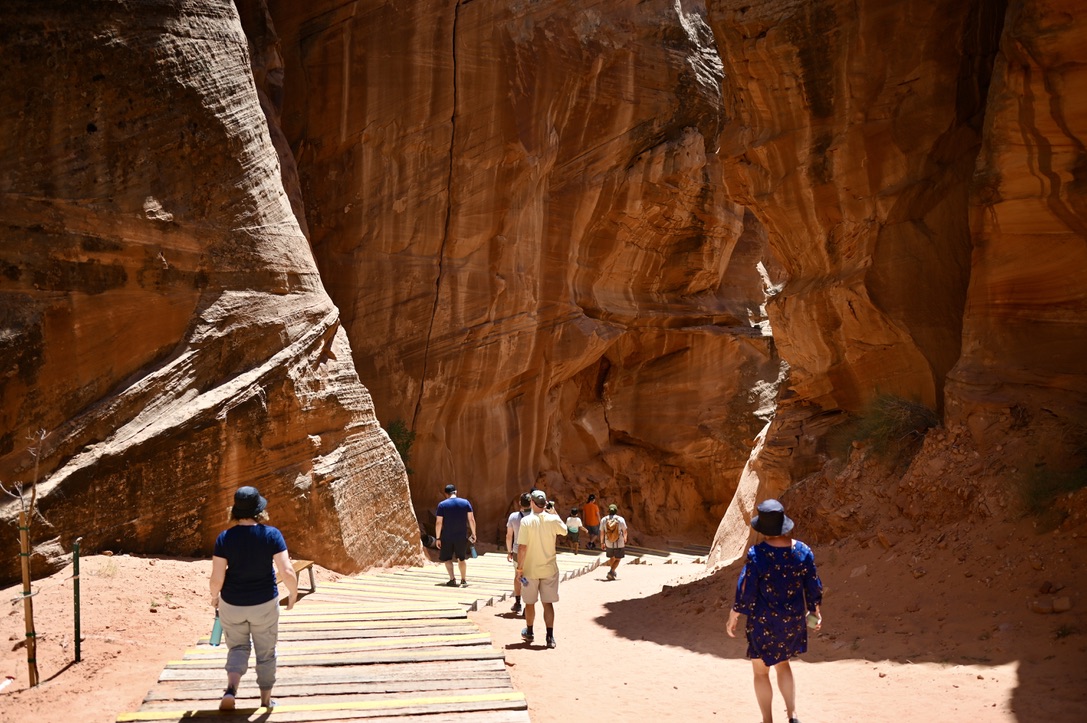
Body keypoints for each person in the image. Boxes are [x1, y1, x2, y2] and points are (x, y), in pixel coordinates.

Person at [726, 499, 823, 723]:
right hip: (792, 621)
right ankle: (792, 715)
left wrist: (735, 613)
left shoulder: (757, 554)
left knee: (761, 672)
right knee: (784, 665)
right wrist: (815, 610)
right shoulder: (803, 551)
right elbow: (813, 584)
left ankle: (767, 720)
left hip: (763, 622)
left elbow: (746, 588)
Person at [209, 486, 298, 711]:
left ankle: (231, 689)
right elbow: (286, 570)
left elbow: (216, 577)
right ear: (259, 510)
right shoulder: (271, 535)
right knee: (266, 652)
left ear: (235, 511)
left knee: (237, 647)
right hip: (265, 603)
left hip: (233, 603)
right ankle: (266, 700)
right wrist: (293, 594)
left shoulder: (224, 538)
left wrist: (214, 598)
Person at [515, 489, 567, 649]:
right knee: (548, 603)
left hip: (530, 570)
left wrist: (519, 569)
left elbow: (522, 547)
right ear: (545, 503)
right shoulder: (552, 520)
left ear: (531, 502)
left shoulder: (526, 521)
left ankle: (529, 632)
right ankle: (550, 637)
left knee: (529, 603)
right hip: (549, 569)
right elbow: (565, 531)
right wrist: (554, 512)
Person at [435, 483, 476, 587]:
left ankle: (452, 579)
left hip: (447, 536)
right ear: (455, 492)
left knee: (447, 558)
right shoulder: (465, 503)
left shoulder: (442, 505)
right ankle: (463, 579)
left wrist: (438, 538)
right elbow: (471, 519)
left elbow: (439, 522)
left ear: (446, 494)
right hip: (461, 536)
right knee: (461, 558)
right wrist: (474, 533)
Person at [505, 492, 532, 614]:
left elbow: (509, 536)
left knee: (518, 576)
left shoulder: (513, 517)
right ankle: (528, 604)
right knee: (530, 578)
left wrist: (509, 551)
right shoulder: (536, 517)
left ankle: (517, 602)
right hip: (532, 551)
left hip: (517, 551)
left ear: (520, 503)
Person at [600, 503, 627, 580]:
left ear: (608, 511)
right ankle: (611, 571)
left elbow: (602, 532)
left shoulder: (604, 520)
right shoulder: (620, 519)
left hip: (608, 542)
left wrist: (602, 542)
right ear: (616, 511)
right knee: (618, 558)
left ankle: (612, 571)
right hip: (619, 542)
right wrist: (625, 538)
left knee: (611, 557)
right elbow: (625, 531)